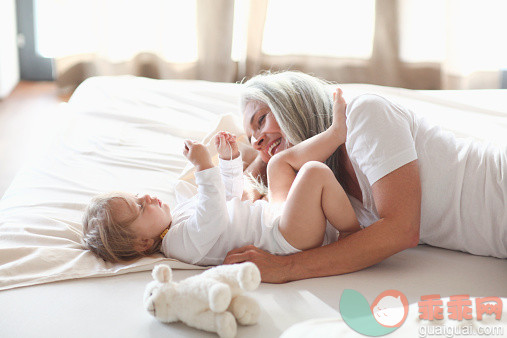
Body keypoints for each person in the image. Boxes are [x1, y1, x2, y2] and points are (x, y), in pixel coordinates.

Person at [223, 70, 507, 283]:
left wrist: (287, 268)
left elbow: (401, 230)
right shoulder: (323, 185)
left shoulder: (363, 116)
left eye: (261, 119)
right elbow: (259, 197)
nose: (258, 140)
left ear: (292, 103)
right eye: (253, 138)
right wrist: (257, 155)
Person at [81, 89, 360, 265]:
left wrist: (229, 160)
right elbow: (212, 214)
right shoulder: (179, 246)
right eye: (139, 207)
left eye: (136, 196)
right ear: (143, 243)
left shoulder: (178, 217)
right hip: (285, 238)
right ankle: (352, 235)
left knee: (277, 164)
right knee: (313, 172)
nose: (145, 197)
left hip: (275, 217)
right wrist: (203, 166)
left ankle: (335, 134)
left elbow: (229, 197)